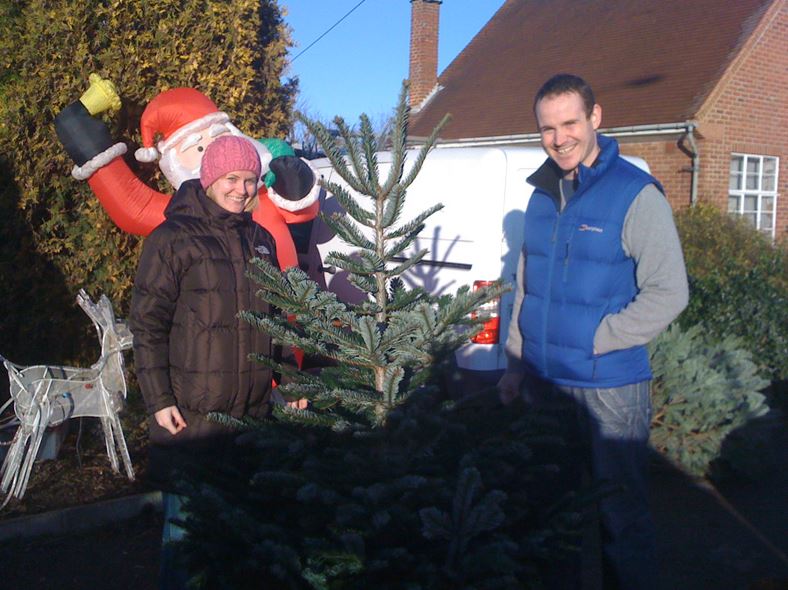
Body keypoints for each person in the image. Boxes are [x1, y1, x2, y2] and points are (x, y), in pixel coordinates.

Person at [497, 74, 688, 590]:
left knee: (620, 522)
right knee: (552, 515)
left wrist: (599, 338)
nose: (559, 138)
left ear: (595, 118)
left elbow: (670, 291)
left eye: (570, 123)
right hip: (544, 384)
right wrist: (515, 363)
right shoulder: (540, 196)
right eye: (547, 128)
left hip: (611, 391)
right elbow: (525, 286)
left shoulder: (635, 193)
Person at [129, 135, 283, 589]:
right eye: (232, 179)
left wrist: (288, 385)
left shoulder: (261, 240)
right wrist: (158, 400)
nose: (241, 189)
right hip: (190, 421)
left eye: (250, 180)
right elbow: (148, 325)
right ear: (211, 178)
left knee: (237, 540)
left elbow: (275, 321)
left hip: (250, 419)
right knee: (186, 540)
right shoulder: (172, 240)